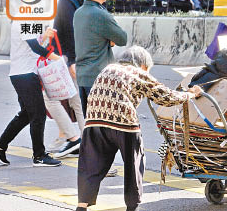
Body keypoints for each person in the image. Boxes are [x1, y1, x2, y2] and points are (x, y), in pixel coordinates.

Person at [76, 46, 203, 211]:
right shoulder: (138, 73)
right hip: (122, 121)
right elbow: (166, 97)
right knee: (134, 163)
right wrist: (191, 94)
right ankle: (132, 206)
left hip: (93, 122)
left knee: (90, 164)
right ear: (143, 64)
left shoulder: (108, 68)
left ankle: (81, 206)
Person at [0, 23, 62, 167]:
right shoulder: (22, 20)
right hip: (24, 74)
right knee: (38, 115)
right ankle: (39, 156)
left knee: (27, 114)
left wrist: (45, 36)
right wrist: (59, 59)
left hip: (26, 73)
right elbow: (35, 47)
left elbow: (34, 43)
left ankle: (0, 146)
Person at [41, 0, 86, 158]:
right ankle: (82, 141)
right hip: (81, 56)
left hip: (70, 58)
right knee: (77, 101)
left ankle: (76, 139)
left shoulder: (65, 0)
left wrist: (71, 61)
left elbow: (70, 32)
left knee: (52, 98)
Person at [73, 0, 125, 117]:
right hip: (99, 79)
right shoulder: (101, 15)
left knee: (90, 125)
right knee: (102, 126)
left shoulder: (79, 13)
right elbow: (122, 38)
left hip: (83, 77)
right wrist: (109, 39)